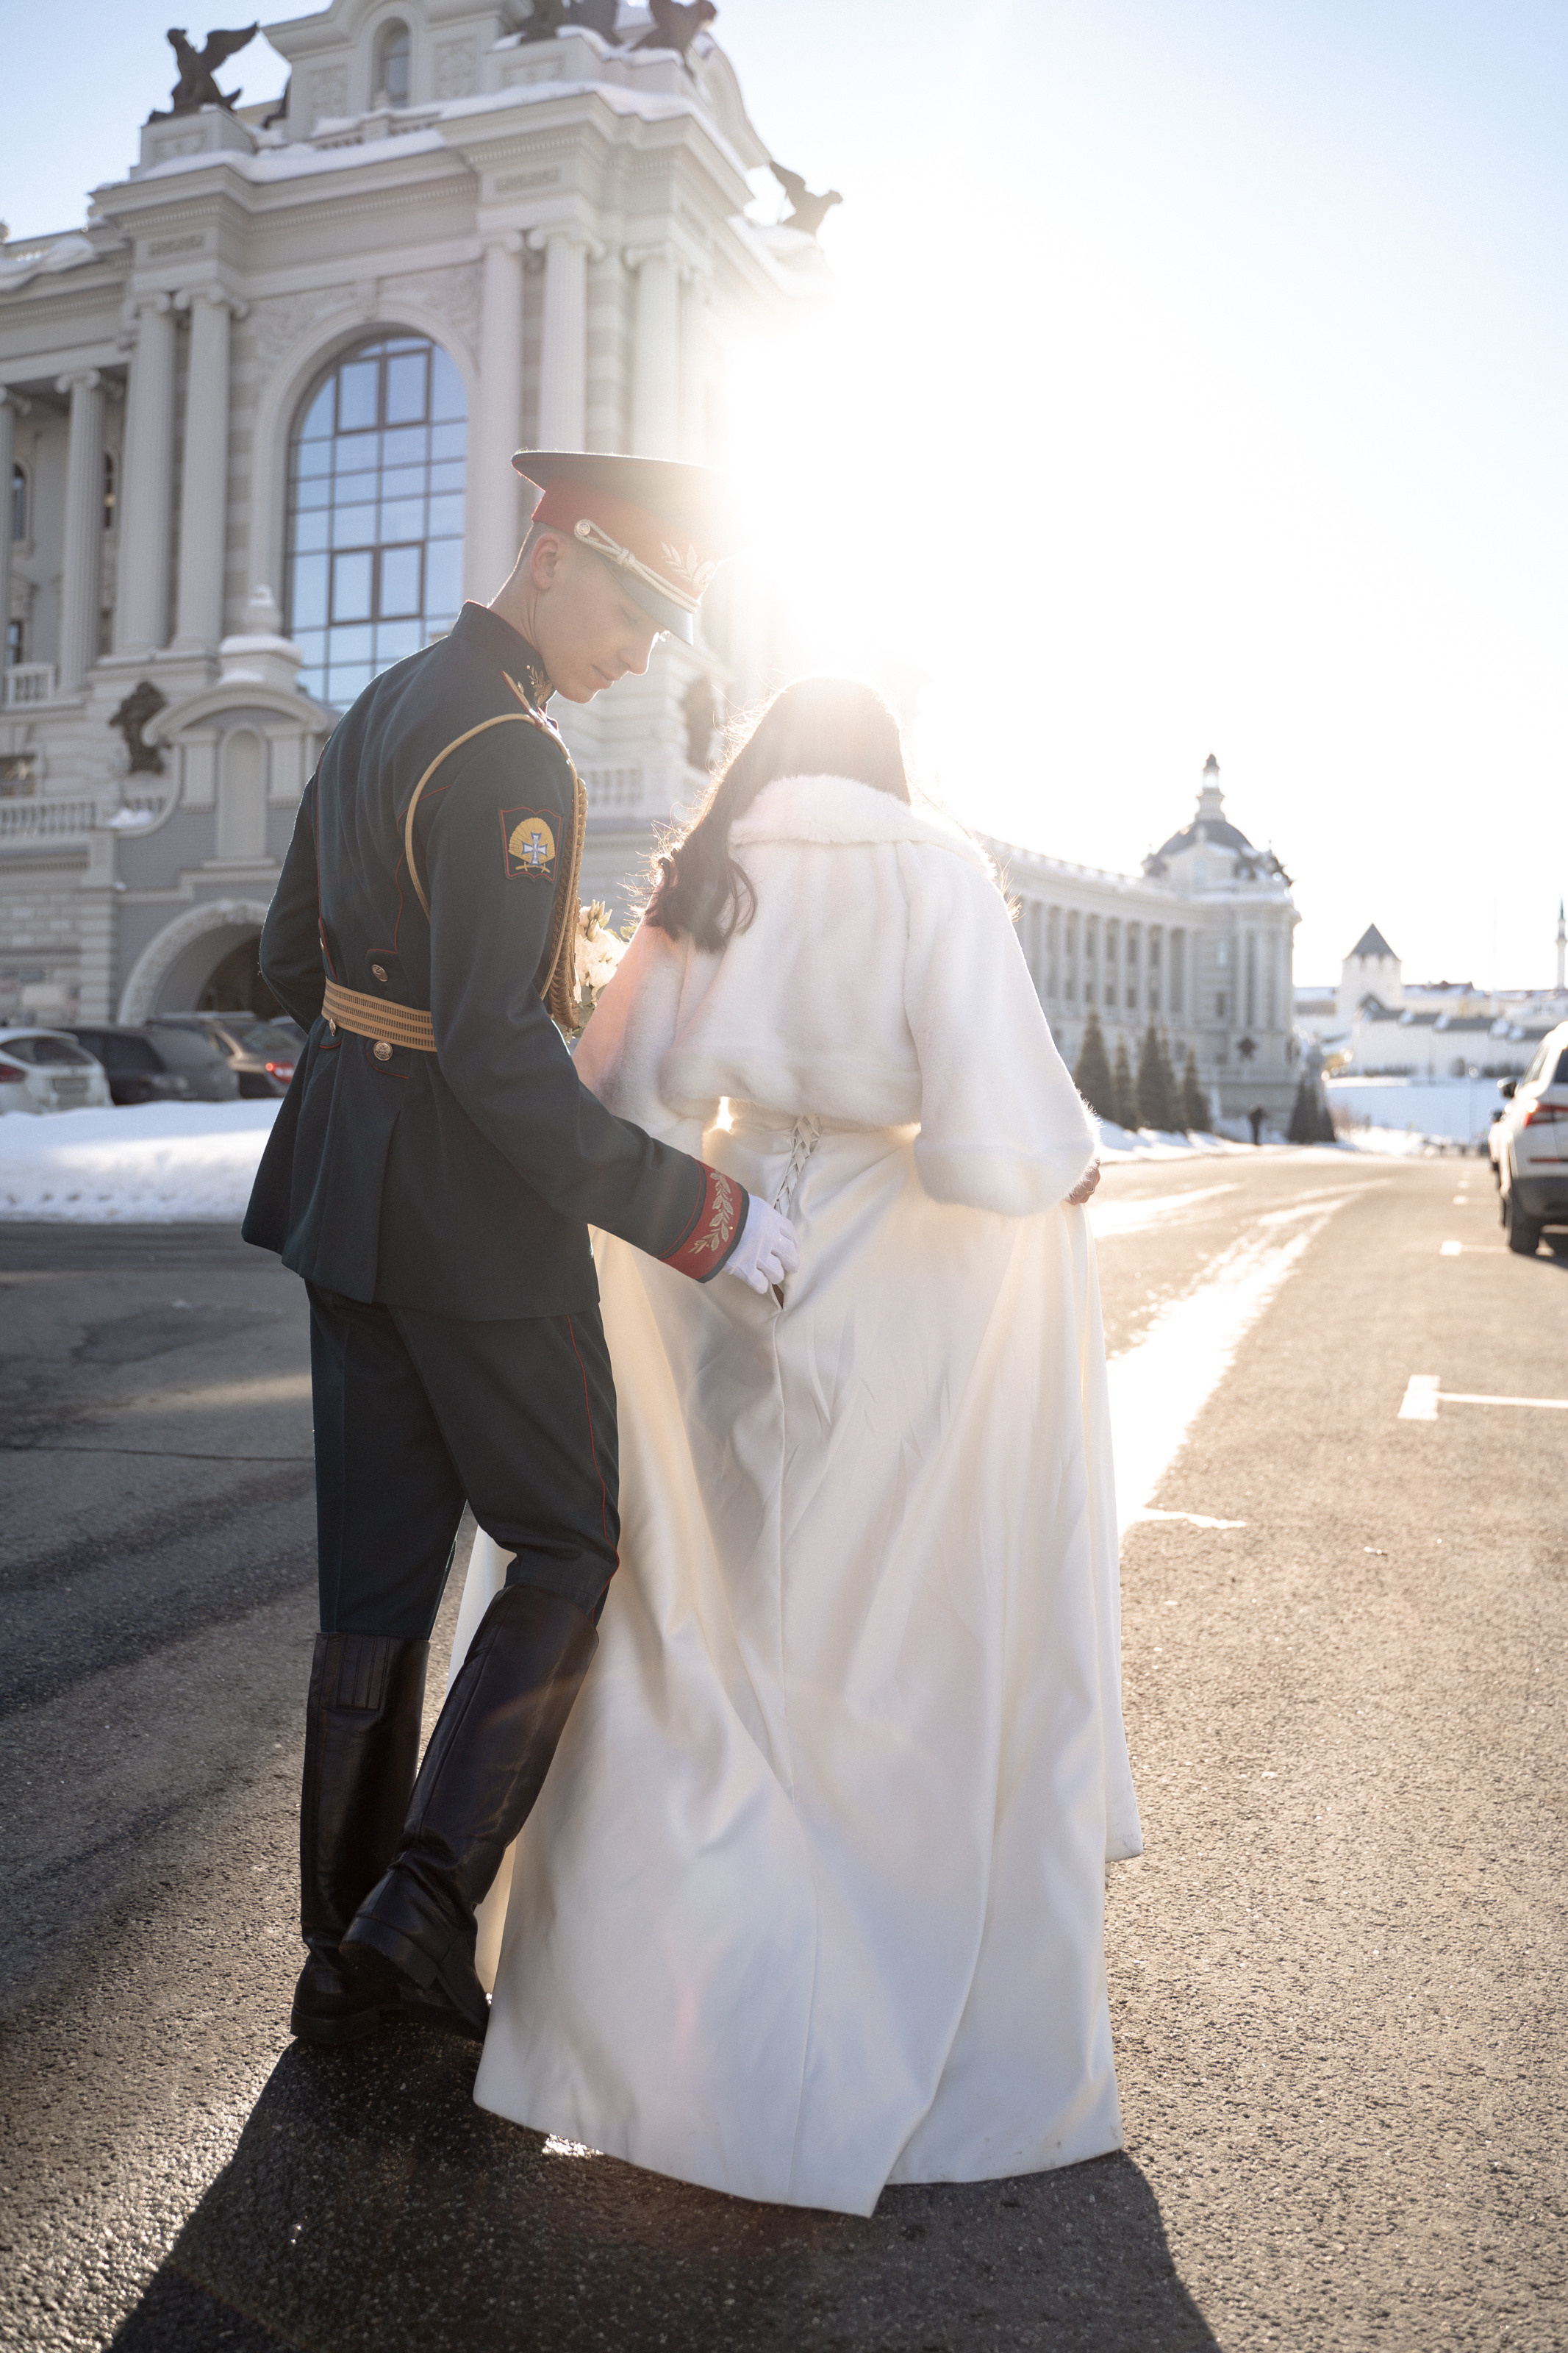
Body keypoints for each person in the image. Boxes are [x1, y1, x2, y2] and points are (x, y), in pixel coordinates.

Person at [450, 677, 1144, 2217]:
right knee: (882, 1645)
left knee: (714, 1615)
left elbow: (612, 1089)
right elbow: (993, 1145)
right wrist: (1064, 1164)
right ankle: (871, 1977)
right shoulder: (935, 868)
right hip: (904, 1288)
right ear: (886, 757)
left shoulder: (712, 869)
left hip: (730, 1247)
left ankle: (678, 2000)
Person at [243, 451, 798, 2050]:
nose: (640, 652)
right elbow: (495, 1054)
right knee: (566, 1539)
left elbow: (288, 957)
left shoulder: (375, 708)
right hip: (474, 1229)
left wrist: (377, 1058)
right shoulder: (515, 753)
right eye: (630, 610)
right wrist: (702, 1216)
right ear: (550, 556)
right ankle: (419, 1911)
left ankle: (339, 1949)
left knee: (374, 1586)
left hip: (344, 1198)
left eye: (662, 627)